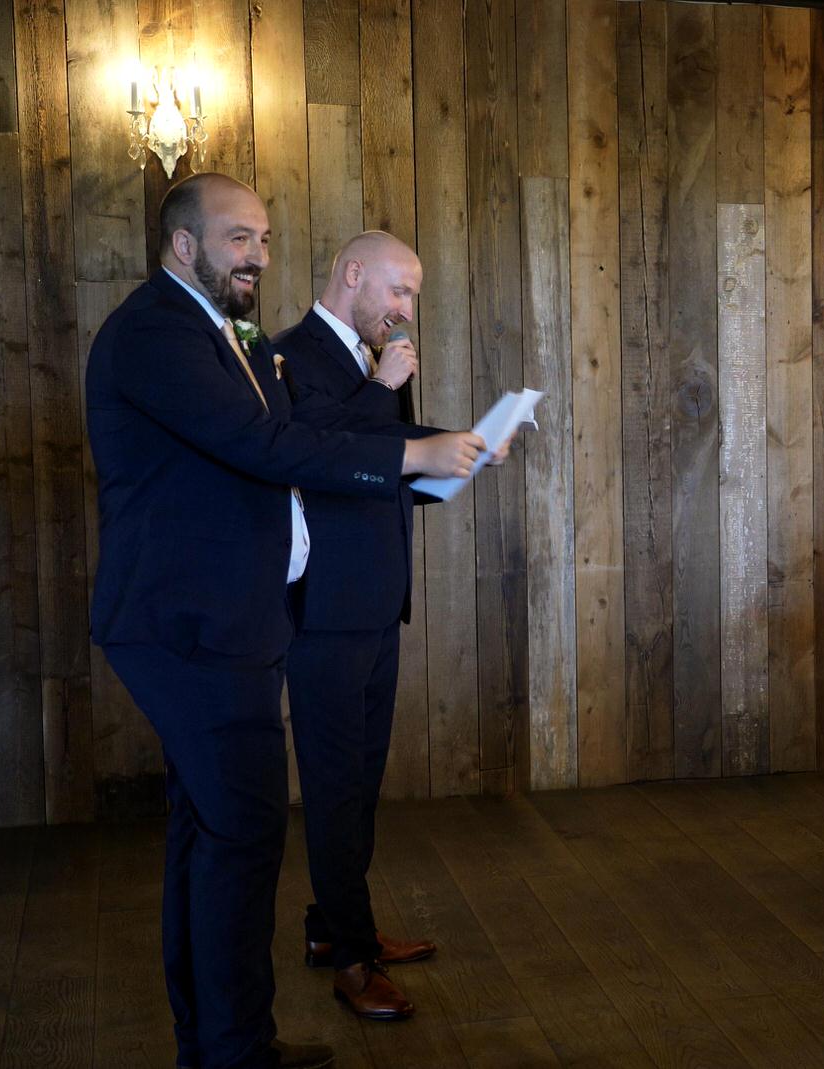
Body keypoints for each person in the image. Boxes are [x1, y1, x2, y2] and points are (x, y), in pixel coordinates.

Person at [86, 174, 484, 1069]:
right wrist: (409, 447)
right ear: (183, 245)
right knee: (242, 834)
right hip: (190, 623)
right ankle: (233, 1049)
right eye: (239, 240)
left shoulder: (230, 335)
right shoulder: (156, 331)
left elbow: (289, 437)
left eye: (264, 239)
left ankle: (222, 1042)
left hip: (229, 619)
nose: (259, 256)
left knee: (214, 831)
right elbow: (264, 447)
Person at [276, 232, 451, 1020]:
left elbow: (383, 467)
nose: (407, 311)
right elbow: (319, 458)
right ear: (353, 275)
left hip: (380, 603)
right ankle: (351, 957)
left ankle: (334, 928)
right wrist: (384, 388)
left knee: (362, 784)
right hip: (324, 613)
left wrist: (455, 457)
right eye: (399, 292)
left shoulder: (382, 366)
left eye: (412, 297)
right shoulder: (290, 356)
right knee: (335, 785)